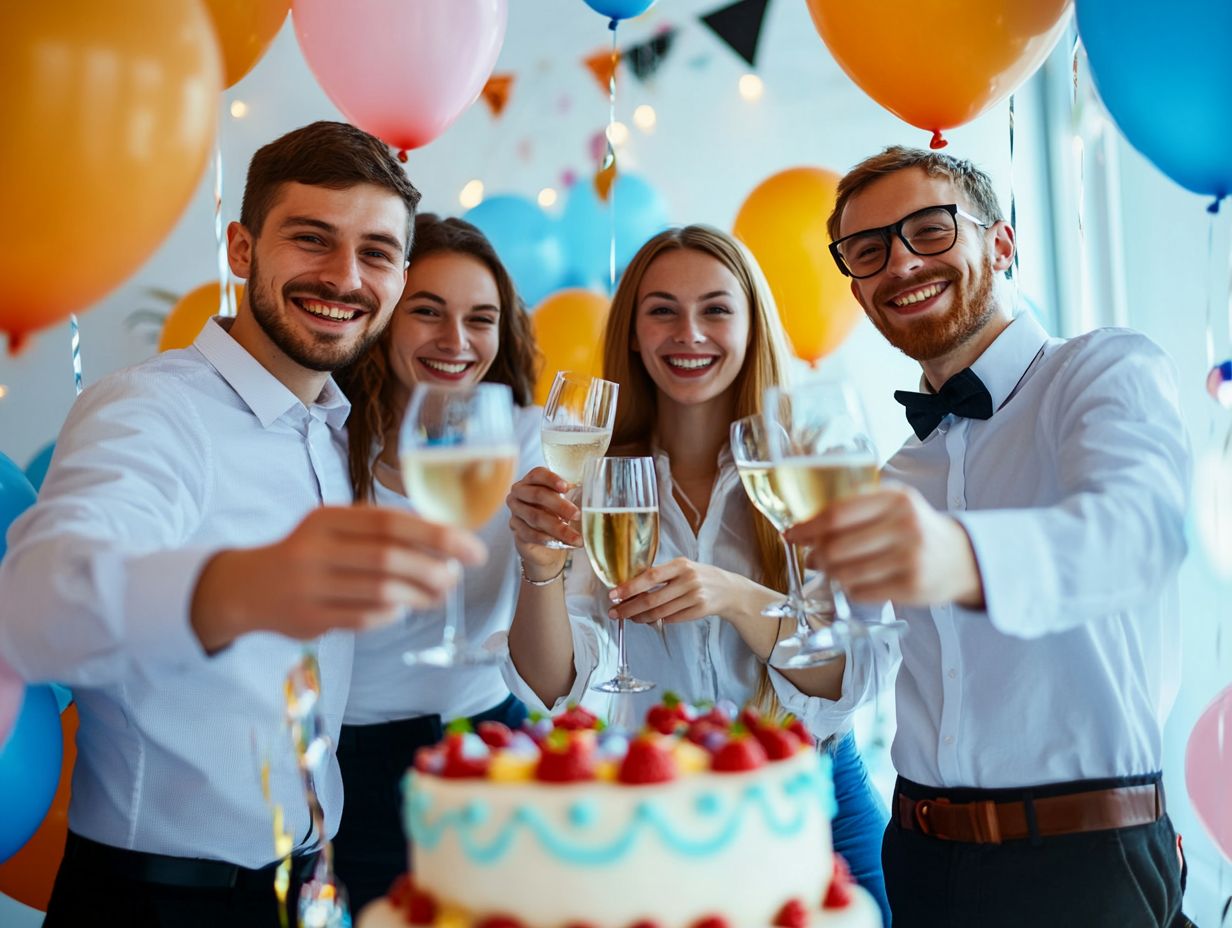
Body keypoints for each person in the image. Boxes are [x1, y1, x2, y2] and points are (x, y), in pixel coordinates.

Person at [0, 121, 487, 928]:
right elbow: (33, 604)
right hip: (155, 903)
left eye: (376, 253)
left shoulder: (333, 434)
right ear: (240, 249)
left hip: (304, 890)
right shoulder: (152, 410)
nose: (344, 276)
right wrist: (238, 585)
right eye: (311, 239)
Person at [788, 146, 1191, 927]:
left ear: (1000, 244)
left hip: (1085, 860)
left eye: (929, 230)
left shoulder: (1100, 371)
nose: (900, 263)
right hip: (920, 854)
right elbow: (856, 669)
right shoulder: (899, 471)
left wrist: (960, 557)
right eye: (868, 251)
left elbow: (1137, 535)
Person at [502, 224, 895, 923]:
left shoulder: (811, 464)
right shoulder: (591, 480)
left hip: (812, 808)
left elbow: (852, 678)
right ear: (632, 331)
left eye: (716, 308)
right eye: (662, 310)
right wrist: (539, 572)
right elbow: (555, 687)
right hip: (659, 817)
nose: (689, 333)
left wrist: (738, 598)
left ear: (752, 325)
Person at [332, 214, 540, 910]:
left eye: (480, 319)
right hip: (352, 763)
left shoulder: (523, 438)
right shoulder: (324, 442)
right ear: (385, 315)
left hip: (489, 738)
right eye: (428, 312)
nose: (456, 341)